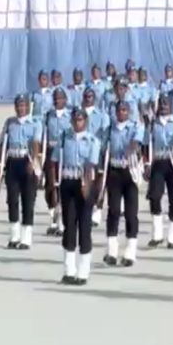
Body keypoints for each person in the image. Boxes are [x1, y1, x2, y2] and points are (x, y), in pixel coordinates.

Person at [50, 108, 100, 285]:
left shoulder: (93, 140)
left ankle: (83, 272)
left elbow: (90, 165)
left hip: (84, 183)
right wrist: (55, 185)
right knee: (68, 226)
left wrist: (87, 186)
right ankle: (69, 270)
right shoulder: (64, 138)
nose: (77, 123)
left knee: (84, 227)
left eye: (80, 120)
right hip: (68, 182)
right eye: (75, 120)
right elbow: (55, 161)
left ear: (85, 121)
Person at [0, 94, 43, 250]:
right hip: (12, 162)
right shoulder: (10, 123)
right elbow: (2, 144)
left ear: (28, 107)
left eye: (23, 105)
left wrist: (34, 162)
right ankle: (14, 236)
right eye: (18, 105)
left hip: (26, 161)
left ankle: (26, 237)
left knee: (28, 201)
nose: (20, 108)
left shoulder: (35, 123)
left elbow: (36, 143)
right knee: (12, 200)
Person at [103, 100, 145, 266]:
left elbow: (136, 142)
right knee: (113, 210)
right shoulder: (109, 129)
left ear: (128, 112)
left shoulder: (135, 127)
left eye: (124, 110)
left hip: (130, 171)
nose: (121, 113)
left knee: (131, 212)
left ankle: (130, 250)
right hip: (114, 171)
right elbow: (103, 148)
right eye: (118, 110)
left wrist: (130, 148)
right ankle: (112, 250)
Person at [145, 95, 173, 248]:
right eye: (161, 104)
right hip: (158, 161)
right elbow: (146, 144)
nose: (163, 106)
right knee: (155, 196)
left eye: (166, 104)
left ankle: (172, 237)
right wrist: (146, 164)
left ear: (171, 105)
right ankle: (157, 235)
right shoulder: (152, 124)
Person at [81, 87, 111, 228]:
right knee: (83, 180)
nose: (88, 98)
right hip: (81, 152)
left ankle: (98, 209)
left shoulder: (102, 115)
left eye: (91, 96)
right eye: (86, 96)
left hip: (97, 151)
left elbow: (105, 135)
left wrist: (103, 151)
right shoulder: (78, 113)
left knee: (99, 181)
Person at [43, 88, 71, 235]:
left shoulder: (71, 116)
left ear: (65, 100)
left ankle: (61, 222)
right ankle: (52, 218)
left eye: (60, 98)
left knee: (63, 187)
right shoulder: (48, 116)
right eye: (55, 98)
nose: (57, 100)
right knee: (50, 186)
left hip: (64, 154)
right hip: (50, 153)